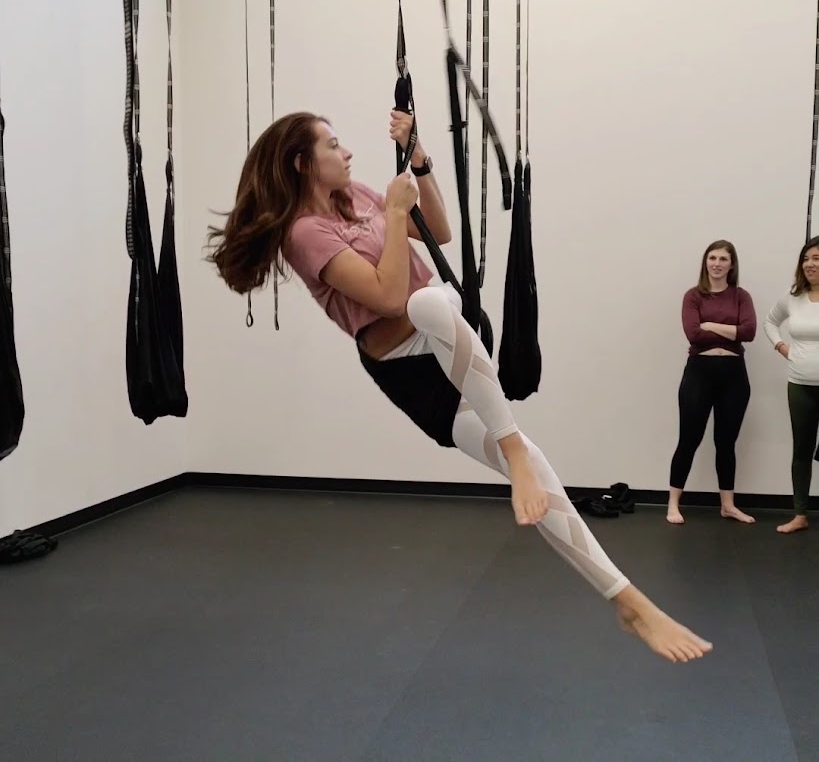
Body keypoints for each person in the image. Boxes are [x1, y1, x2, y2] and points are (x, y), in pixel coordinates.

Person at [208, 110, 713, 664]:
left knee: (533, 465)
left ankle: (629, 601)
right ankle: (513, 449)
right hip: (408, 366)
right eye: (333, 144)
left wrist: (419, 164)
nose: (347, 152)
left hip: (451, 341)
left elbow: (440, 232)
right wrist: (396, 212)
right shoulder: (305, 233)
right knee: (429, 305)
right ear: (304, 163)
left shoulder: (356, 194)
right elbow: (389, 297)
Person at [667, 241, 757, 525]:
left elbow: (750, 331)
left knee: (726, 442)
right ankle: (672, 503)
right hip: (699, 374)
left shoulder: (741, 296)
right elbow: (694, 335)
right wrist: (731, 332)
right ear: (706, 262)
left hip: (734, 376)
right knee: (689, 439)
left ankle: (727, 505)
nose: (717, 263)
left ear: (732, 265)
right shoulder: (693, 296)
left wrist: (711, 325)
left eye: (723, 259)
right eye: (712, 258)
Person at [763, 235, 819, 534]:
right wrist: (782, 347)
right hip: (800, 384)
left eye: (817, 259)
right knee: (802, 450)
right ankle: (800, 513)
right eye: (807, 258)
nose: (810, 264)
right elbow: (770, 322)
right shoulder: (793, 297)